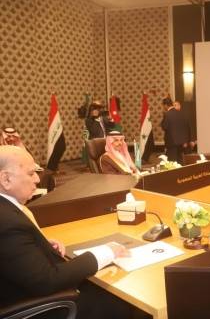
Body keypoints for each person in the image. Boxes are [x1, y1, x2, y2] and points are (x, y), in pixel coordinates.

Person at [0, 146, 131, 319]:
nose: (37, 179)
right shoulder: (7, 223)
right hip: (42, 308)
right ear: (6, 179)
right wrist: (106, 252)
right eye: (31, 174)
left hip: (26, 291)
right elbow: (47, 281)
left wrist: (39, 245)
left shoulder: (7, 210)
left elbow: (15, 253)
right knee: (127, 302)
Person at [161, 97, 190, 164]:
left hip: (171, 143)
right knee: (179, 161)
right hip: (181, 142)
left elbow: (164, 127)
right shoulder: (180, 113)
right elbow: (185, 126)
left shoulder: (167, 114)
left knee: (172, 162)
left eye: (163, 105)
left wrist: (163, 117)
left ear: (165, 105)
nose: (163, 107)